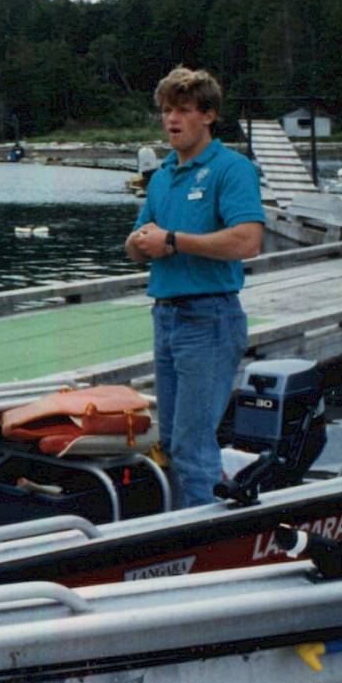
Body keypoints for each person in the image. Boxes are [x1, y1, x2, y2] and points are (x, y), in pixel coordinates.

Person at [124, 66, 265, 507]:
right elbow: (136, 245)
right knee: (171, 439)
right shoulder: (164, 174)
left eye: (183, 110)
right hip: (165, 316)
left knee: (191, 443)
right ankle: (194, 517)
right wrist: (138, 243)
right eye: (167, 110)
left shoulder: (232, 168)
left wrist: (171, 241)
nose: (172, 119)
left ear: (208, 115)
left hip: (209, 319)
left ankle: (205, 534)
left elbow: (248, 241)